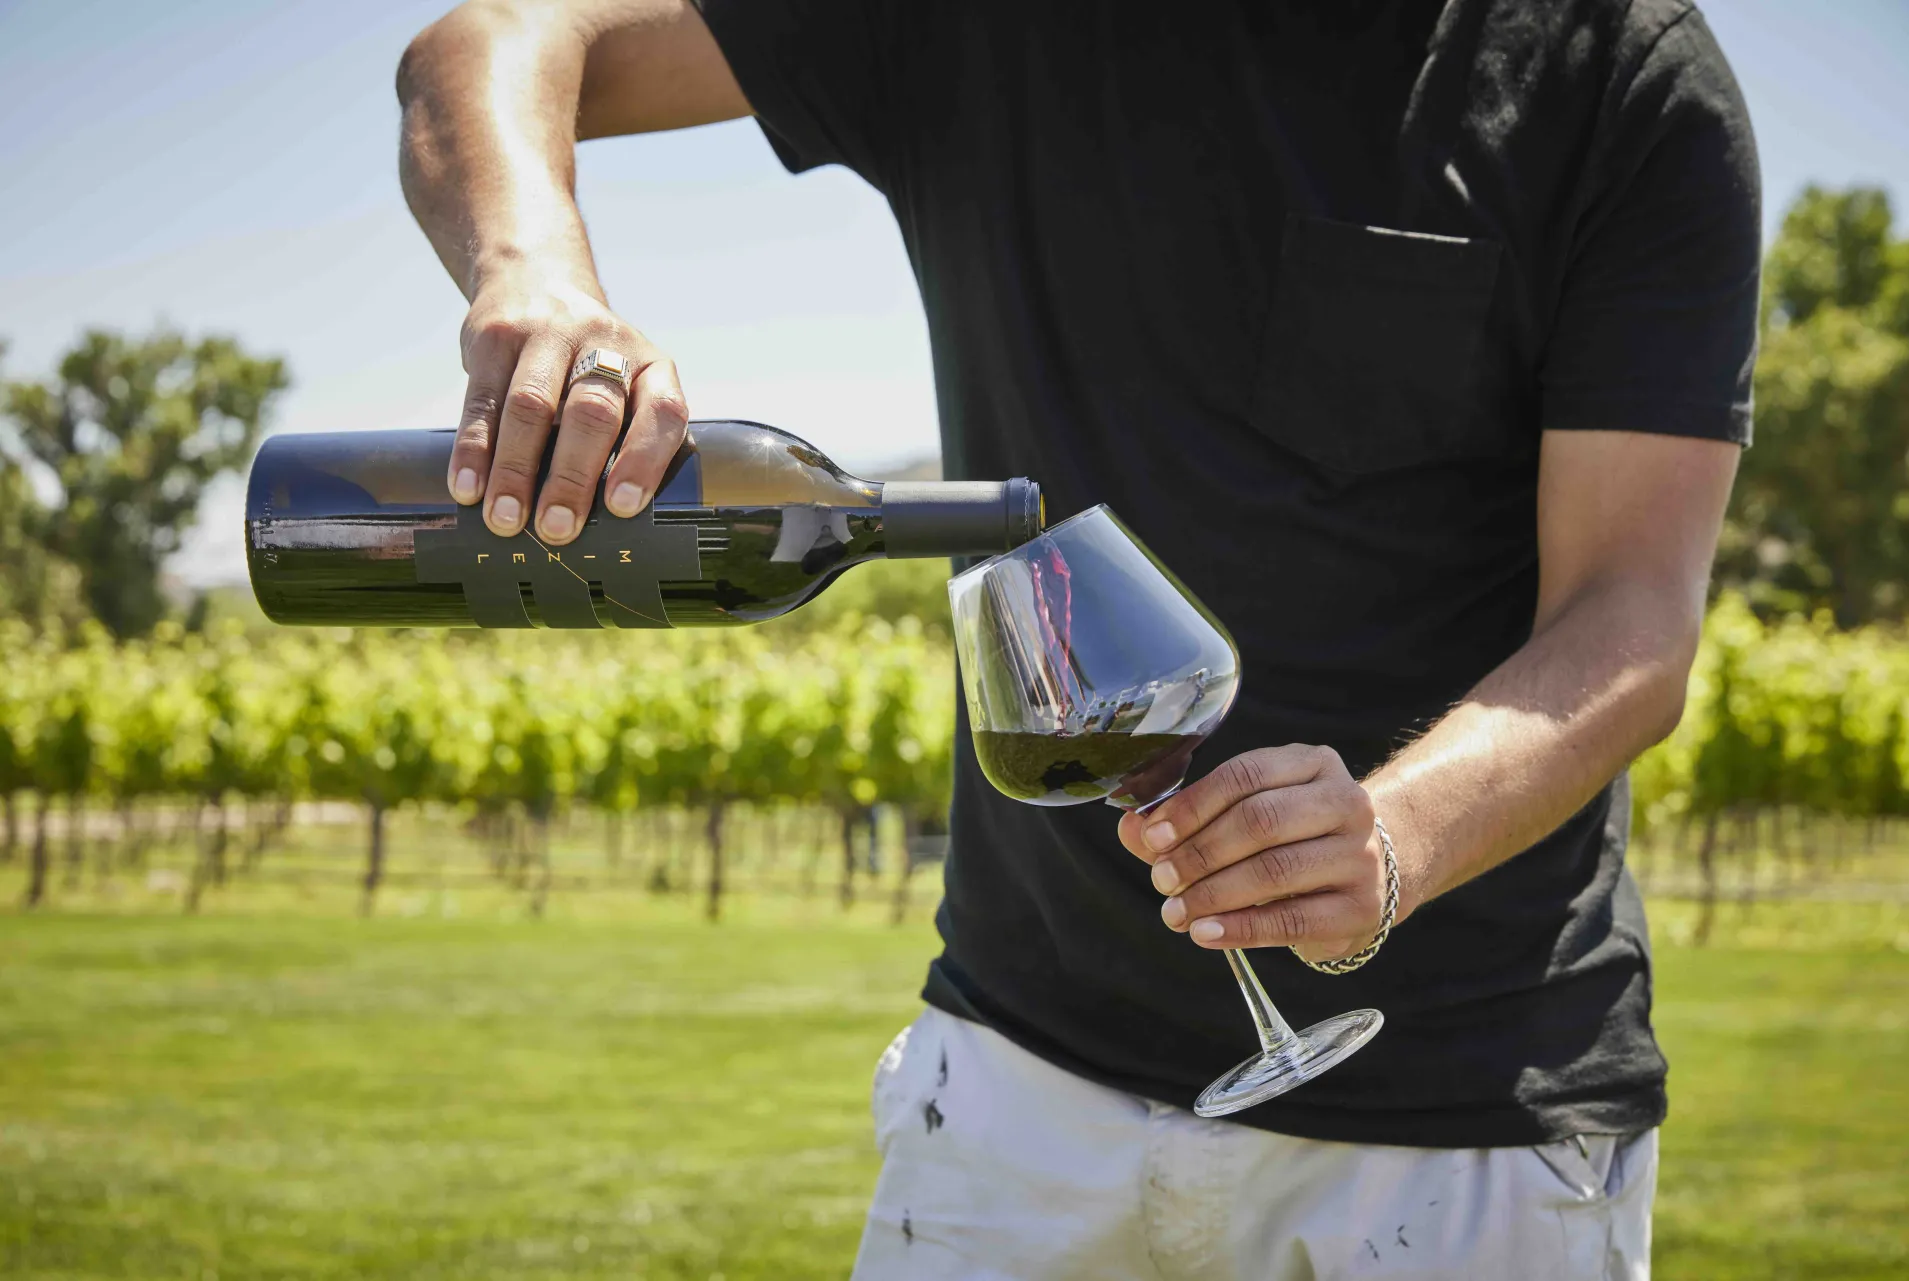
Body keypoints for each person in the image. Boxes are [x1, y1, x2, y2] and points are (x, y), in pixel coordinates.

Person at [396, 1, 1758, 1276]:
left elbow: (1632, 615)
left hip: (1470, 1127)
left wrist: (1394, 836)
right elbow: (500, 37)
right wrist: (535, 273)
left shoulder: (1616, 76)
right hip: (1015, 1096)